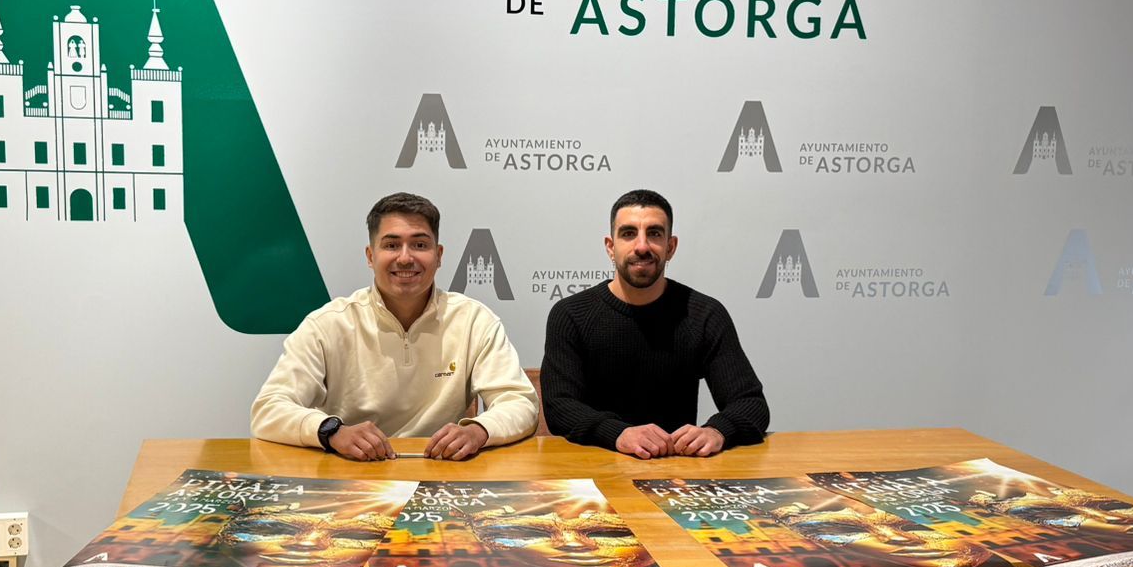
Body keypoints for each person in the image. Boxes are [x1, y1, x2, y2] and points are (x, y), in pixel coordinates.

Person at [252, 192, 538, 460]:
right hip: (350, 472)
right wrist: (331, 431)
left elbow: (520, 403)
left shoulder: (474, 320)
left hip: (441, 470)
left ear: (438, 255)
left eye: (419, 244)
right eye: (391, 245)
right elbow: (269, 409)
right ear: (370, 256)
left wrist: (479, 431)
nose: (405, 257)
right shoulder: (327, 324)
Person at [541, 188, 769, 458]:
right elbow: (560, 407)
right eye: (628, 233)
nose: (642, 246)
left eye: (654, 233)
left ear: (670, 247)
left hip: (675, 471)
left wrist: (717, 431)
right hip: (592, 469)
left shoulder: (704, 314)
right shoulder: (570, 314)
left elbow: (751, 403)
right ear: (610, 247)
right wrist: (618, 433)